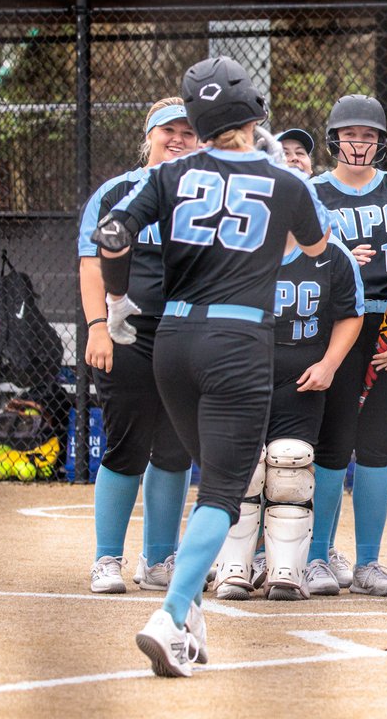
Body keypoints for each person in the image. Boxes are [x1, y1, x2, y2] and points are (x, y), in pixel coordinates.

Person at [95, 56, 330, 676]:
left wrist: (117, 302)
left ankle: (192, 611)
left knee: (208, 480)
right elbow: (315, 245)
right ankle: (170, 616)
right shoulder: (287, 181)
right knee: (224, 493)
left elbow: (114, 233)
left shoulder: (171, 172)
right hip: (239, 340)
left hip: (171, 337)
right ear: (254, 113)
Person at [310, 94, 387, 597]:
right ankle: (316, 556)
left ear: (381, 141)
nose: (359, 143)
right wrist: (339, 262)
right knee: (331, 445)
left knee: (376, 448)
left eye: (369, 135)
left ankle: (369, 562)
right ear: (334, 137)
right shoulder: (311, 193)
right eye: (350, 134)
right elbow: (292, 263)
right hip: (334, 326)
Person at [79, 98, 197, 594]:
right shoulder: (118, 191)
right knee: (126, 445)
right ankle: (107, 558)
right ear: (148, 136)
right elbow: (92, 264)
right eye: (168, 129)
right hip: (127, 332)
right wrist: (97, 326)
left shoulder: (203, 194)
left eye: (188, 132)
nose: (177, 138)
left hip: (185, 334)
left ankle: (159, 560)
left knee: (173, 450)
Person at [210, 231, 364, 600]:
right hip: (244, 372)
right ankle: (233, 567)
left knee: (291, 466)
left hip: (301, 378)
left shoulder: (331, 254)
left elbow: (350, 315)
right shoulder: (235, 245)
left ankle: (286, 569)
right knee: (243, 470)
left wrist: (329, 364)